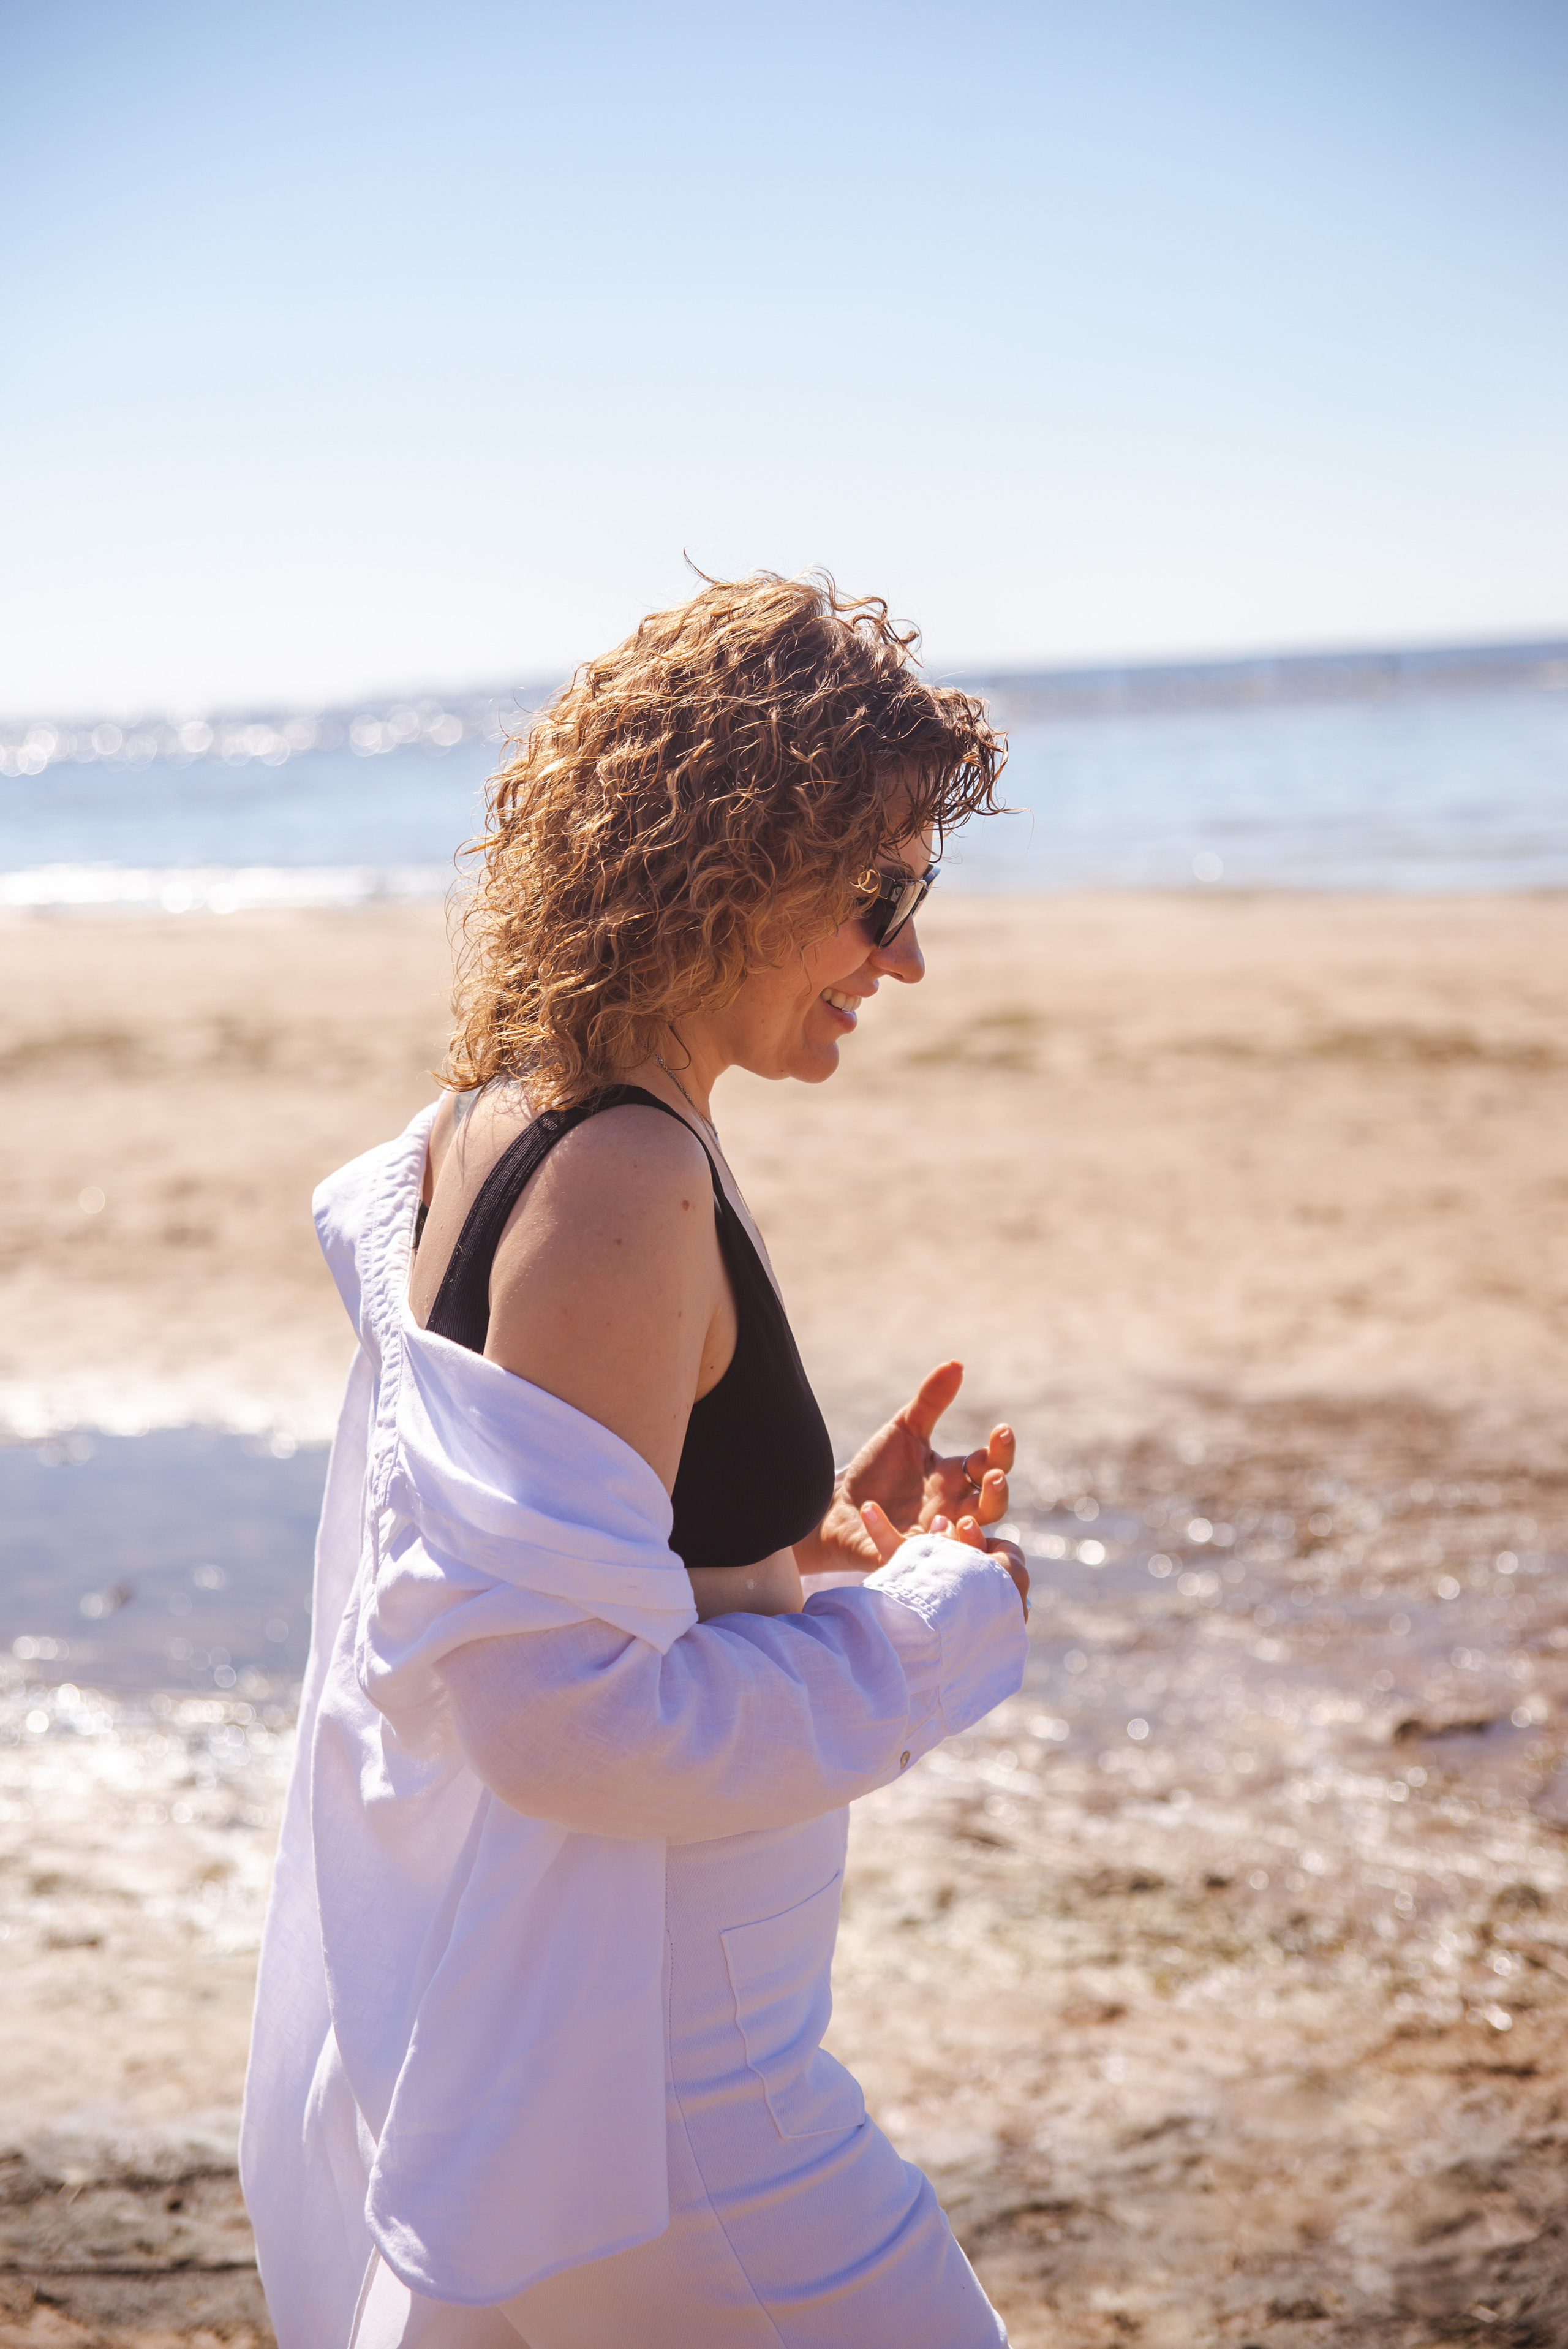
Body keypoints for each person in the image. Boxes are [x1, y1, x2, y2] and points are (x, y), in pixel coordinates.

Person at [241, 572, 1031, 2348]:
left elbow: (568, 1563)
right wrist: (937, 1622)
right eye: (881, 893)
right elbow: (558, 1719)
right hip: (682, 2092)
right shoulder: (619, 1178)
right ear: (741, 853)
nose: (907, 955)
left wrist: (809, 1543)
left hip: (635, 2046)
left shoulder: (522, 1116)